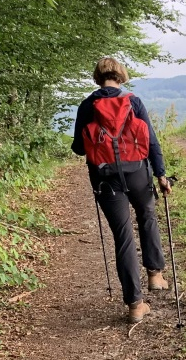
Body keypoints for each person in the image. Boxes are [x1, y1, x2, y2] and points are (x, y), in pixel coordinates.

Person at [72, 57, 172, 323]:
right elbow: (151, 141)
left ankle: (135, 305)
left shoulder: (87, 105)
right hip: (138, 173)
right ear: (121, 75)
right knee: (147, 216)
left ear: (97, 76)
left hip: (106, 180)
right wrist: (161, 174)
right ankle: (155, 275)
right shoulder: (133, 101)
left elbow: (79, 148)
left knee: (123, 237)